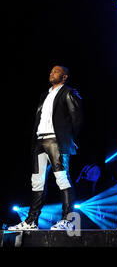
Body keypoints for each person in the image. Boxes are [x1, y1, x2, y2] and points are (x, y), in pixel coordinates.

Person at [9, 65, 83, 231]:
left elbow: (77, 119)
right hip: (40, 140)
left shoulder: (69, 92)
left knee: (62, 177)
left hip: (56, 140)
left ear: (64, 77)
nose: (52, 73)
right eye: (51, 71)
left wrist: (69, 139)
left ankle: (68, 219)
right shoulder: (45, 95)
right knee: (36, 181)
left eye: (56, 71)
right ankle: (31, 221)